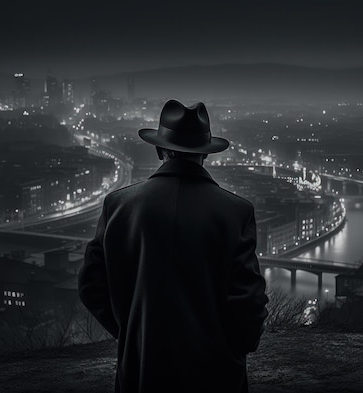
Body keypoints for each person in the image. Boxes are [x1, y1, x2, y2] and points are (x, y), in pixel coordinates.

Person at [78, 99, 269, 393]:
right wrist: (233, 349)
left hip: (141, 372)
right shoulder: (236, 212)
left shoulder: (118, 206)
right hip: (216, 375)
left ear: (159, 149)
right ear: (206, 155)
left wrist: (131, 334)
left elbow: (91, 285)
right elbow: (249, 303)